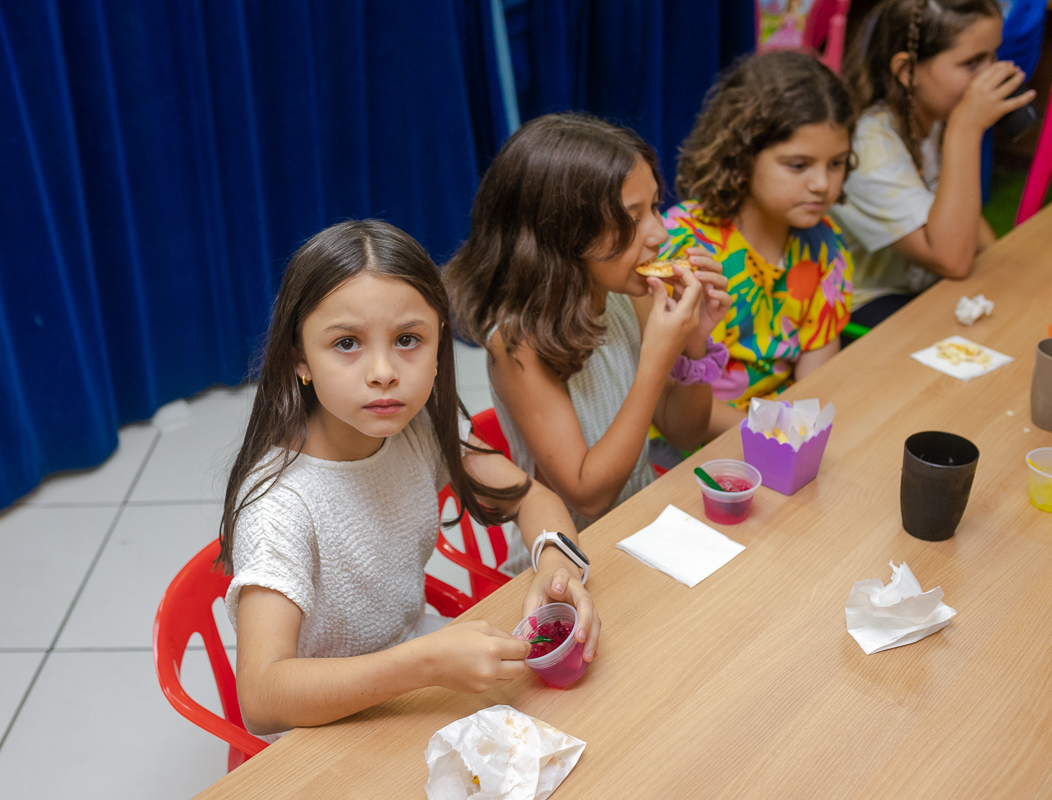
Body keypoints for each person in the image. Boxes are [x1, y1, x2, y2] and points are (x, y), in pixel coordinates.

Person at [218, 219, 599, 737]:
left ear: (440, 346)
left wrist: (558, 571)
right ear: (300, 360)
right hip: (325, 721)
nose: (383, 371)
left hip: (415, 673)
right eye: (347, 342)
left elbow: (531, 497)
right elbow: (263, 697)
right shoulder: (280, 506)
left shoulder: (422, 427)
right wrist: (423, 663)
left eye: (407, 339)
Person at [444, 113, 732, 529]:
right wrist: (655, 359)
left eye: (654, 206)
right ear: (564, 235)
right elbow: (587, 495)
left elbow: (685, 434)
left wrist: (694, 344)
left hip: (641, 525)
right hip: (569, 557)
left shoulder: (627, 296)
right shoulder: (518, 344)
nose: (659, 234)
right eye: (632, 218)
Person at [663, 51, 854, 424]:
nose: (822, 184)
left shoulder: (825, 246)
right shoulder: (682, 244)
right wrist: (779, 434)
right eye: (798, 165)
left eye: (837, 163)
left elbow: (816, 387)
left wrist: (795, 432)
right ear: (742, 154)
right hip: (687, 442)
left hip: (786, 433)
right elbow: (665, 398)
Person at [831, 0, 1034, 327]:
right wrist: (965, 131)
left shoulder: (932, 115)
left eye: (993, 55)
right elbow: (951, 260)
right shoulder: (868, 149)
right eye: (972, 63)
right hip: (866, 304)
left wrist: (1005, 276)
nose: (990, 75)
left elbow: (961, 211)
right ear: (908, 71)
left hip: (924, 284)